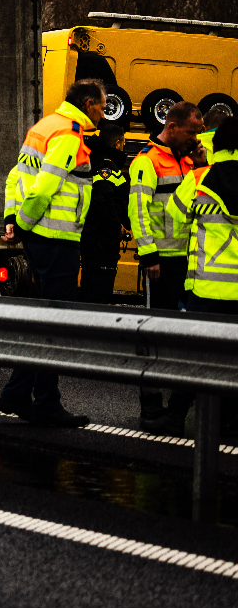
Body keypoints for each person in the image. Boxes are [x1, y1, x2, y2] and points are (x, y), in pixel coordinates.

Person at [0, 79, 103, 427]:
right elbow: (44, 186)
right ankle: (45, 403)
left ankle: (17, 393)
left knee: (43, 319)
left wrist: (13, 219)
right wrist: (25, 224)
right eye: (102, 106)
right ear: (88, 103)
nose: (104, 112)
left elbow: (16, 177)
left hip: (39, 238)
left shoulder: (43, 127)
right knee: (55, 322)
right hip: (56, 240)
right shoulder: (69, 135)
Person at [128, 102, 204, 431]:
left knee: (184, 336)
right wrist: (148, 255)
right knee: (155, 335)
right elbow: (139, 211)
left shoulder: (192, 160)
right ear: (171, 127)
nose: (194, 138)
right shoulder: (147, 161)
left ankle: (178, 402)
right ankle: (151, 405)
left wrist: (202, 164)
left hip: (190, 261)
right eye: (191, 132)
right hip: (161, 261)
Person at [162, 122, 238, 435]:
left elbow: (174, 216)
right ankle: (229, 424)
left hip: (205, 287)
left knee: (194, 357)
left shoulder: (198, 179)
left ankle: (175, 416)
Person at [80, 125, 131, 304]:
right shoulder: (106, 166)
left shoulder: (97, 161)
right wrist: (117, 226)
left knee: (89, 286)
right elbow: (103, 197)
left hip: (94, 236)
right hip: (102, 240)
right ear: (117, 143)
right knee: (99, 292)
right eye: (123, 144)